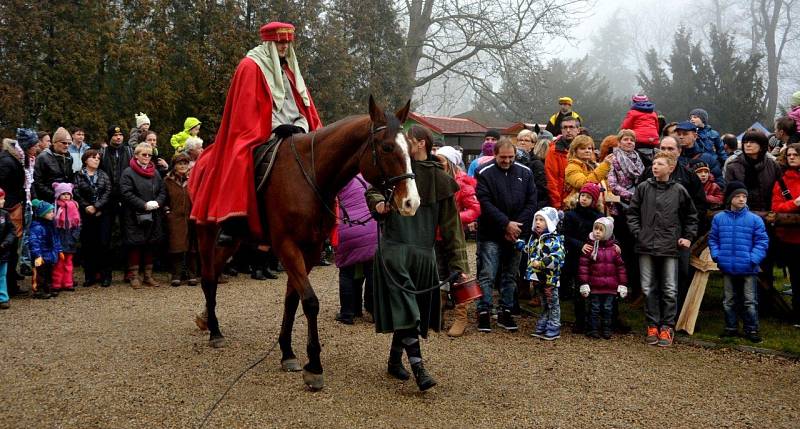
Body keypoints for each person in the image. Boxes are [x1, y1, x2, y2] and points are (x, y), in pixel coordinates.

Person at [189, 22, 322, 244]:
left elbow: (303, 104)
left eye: (288, 42)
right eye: (280, 42)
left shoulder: (290, 70)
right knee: (241, 158)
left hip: (295, 131)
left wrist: (301, 125)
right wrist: (274, 127)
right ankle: (233, 220)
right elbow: (245, 110)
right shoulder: (250, 66)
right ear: (269, 41)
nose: (284, 47)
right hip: (263, 131)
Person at [367, 127, 469, 392]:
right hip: (394, 249)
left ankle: (393, 361)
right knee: (409, 310)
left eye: (408, 140)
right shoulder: (396, 167)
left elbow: (452, 227)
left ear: (421, 143)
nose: (403, 144)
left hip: (424, 255)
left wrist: (459, 265)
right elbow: (373, 190)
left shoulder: (439, 177)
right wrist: (379, 203)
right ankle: (419, 368)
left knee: (412, 313)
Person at [628, 152, 698, 347]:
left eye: (660, 164)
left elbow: (691, 216)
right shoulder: (643, 188)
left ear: (670, 168)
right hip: (646, 246)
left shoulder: (679, 190)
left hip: (670, 247)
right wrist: (638, 232)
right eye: (654, 164)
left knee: (669, 289)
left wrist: (687, 237)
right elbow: (632, 212)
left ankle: (667, 326)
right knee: (648, 287)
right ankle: (652, 325)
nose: (655, 167)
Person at [475, 138, 537, 333]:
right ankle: (484, 311)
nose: (507, 161)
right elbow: (484, 202)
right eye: (503, 157)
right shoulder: (484, 173)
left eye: (511, 157)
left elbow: (531, 201)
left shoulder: (525, 172)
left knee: (510, 275)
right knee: (488, 274)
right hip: (491, 232)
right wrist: (505, 224)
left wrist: (516, 227)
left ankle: (506, 310)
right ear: (495, 154)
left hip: (517, 232)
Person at [708, 181, 769, 343]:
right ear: (730, 198)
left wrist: (753, 259)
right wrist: (717, 255)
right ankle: (731, 327)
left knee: (750, 301)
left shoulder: (755, 220)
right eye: (738, 196)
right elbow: (713, 239)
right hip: (727, 266)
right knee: (728, 300)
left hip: (748, 267)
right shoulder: (719, 219)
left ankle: (752, 329)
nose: (742, 199)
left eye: (744, 196)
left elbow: (762, 241)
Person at [435, 145, 480, 337]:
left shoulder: (462, 183)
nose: (437, 164)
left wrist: (454, 219)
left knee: (458, 275)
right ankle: (438, 314)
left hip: (455, 237)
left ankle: (461, 317)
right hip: (436, 237)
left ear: (450, 163)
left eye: (441, 161)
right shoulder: (434, 181)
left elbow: (475, 209)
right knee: (438, 275)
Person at [120, 143, 167, 289]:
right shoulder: (128, 172)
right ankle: (134, 276)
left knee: (150, 245)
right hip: (134, 214)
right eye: (144, 154)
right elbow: (126, 193)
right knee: (135, 244)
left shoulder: (155, 172)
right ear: (136, 155)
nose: (147, 157)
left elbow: (163, 190)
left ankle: (148, 275)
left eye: (149, 155)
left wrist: (158, 202)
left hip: (153, 214)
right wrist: (143, 205)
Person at [332, 174, 376, 325]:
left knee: (347, 272)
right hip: (371, 226)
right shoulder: (364, 177)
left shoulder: (338, 180)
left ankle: (348, 313)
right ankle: (374, 311)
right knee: (372, 272)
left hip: (349, 227)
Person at [561, 182, 604, 333]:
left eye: (588, 197)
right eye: (582, 196)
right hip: (575, 256)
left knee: (593, 289)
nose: (584, 199)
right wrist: (580, 245)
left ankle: (594, 321)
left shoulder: (599, 217)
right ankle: (579, 321)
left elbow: (606, 234)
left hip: (594, 257)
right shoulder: (570, 215)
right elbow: (565, 235)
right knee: (579, 289)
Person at [578, 217, 628, 339]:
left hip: (610, 287)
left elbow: (621, 268)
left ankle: (607, 329)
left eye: (601, 230)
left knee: (608, 308)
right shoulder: (590, 248)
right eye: (596, 229)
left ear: (608, 232)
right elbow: (583, 266)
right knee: (594, 308)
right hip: (594, 285)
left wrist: (622, 284)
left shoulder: (614, 250)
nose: (598, 232)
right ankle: (593, 329)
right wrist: (584, 283)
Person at [522, 207, 566, 340]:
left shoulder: (554, 240)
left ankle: (554, 325)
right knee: (544, 301)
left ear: (550, 223)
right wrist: (521, 246)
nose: (538, 223)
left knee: (552, 301)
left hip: (549, 278)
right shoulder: (535, 238)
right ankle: (544, 321)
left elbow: (558, 257)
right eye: (536, 220)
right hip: (537, 277)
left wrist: (542, 262)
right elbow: (531, 251)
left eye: (542, 220)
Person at [73, 149, 112, 287]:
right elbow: (76, 192)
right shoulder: (78, 175)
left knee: (103, 243)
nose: (96, 160)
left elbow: (108, 192)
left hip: (102, 213)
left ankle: (105, 275)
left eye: (98, 158)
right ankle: (90, 276)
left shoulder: (103, 174)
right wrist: (87, 206)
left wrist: (97, 206)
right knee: (88, 244)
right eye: (93, 157)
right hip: (86, 214)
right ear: (85, 160)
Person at [771, 143, 800, 327]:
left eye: (796, 154)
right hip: (790, 238)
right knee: (796, 278)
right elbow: (776, 208)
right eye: (789, 154)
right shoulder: (781, 181)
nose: (792, 157)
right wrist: (795, 204)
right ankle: (798, 315)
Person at [724, 129, 780, 212]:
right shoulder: (733, 166)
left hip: (768, 212)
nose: (748, 145)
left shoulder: (773, 165)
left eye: (752, 142)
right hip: (741, 213)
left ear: (762, 146)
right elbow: (728, 193)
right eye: (745, 142)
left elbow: (778, 191)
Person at [164, 152, 197, 287]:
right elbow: (163, 198)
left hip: (192, 216)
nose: (183, 166)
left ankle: (192, 275)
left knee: (192, 247)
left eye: (185, 163)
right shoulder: (167, 180)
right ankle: (176, 275)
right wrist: (167, 212)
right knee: (176, 247)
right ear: (174, 165)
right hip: (175, 217)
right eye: (180, 163)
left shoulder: (194, 178)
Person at [0, 137, 26, 296]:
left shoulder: (8, 160)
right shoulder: (6, 161)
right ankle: (9, 285)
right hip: (11, 206)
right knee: (10, 246)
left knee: (13, 246)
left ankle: (10, 283)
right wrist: (8, 204)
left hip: (12, 204)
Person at [563, 135, 612, 209]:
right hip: (579, 209)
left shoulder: (595, 165)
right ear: (575, 151)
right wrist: (605, 166)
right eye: (583, 148)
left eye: (590, 148)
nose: (587, 150)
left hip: (598, 208)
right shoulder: (572, 167)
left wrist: (617, 199)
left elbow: (606, 190)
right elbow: (585, 184)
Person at [675, 121, 725, 188]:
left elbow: (720, 182)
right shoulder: (674, 158)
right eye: (679, 134)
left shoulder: (707, 158)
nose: (681, 137)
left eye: (685, 134)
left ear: (695, 136)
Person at [29, 199, 61, 299]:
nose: (52, 214)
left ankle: (48, 288)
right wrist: (37, 255)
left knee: (49, 272)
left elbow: (56, 238)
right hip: (41, 256)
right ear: (42, 214)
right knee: (40, 273)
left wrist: (59, 250)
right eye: (50, 212)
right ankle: (39, 290)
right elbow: (34, 242)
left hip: (50, 254)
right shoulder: (37, 227)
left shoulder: (51, 225)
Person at [50, 182, 80, 292]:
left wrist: (75, 237)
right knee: (58, 263)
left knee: (69, 263)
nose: (66, 196)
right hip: (59, 239)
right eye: (63, 194)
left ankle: (68, 283)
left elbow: (77, 224)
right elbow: (53, 224)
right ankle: (57, 283)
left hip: (70, 238)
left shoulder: (74, 206)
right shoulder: (55, 207)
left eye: (68, 194)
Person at [606, 129, 645, 214]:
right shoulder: (612, 159)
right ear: (619, 143)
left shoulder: (639, 159)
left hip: (638, 199)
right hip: (619, 201)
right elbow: (612, 185)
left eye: (632, 140)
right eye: (626, 139)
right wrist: (631, 195)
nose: (629, 142)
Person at [545, 116, 580, 209]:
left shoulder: (586, 149)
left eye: (571, 127)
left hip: (583, 200)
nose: (568, 130)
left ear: (578, 130)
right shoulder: (554, 151)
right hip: (563, 202)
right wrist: (557, 205)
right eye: (565, 127)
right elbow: (551, 180)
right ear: (561, 130)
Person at [33, 127, 75, 202]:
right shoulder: (43, 157)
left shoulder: (69, 158)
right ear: (54, 142)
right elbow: (37, 182)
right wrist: (55, 194)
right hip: (47, 201)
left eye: (69, 143)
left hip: (65, 199)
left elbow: (69, 179)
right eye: (64, 143)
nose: (67, 145)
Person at [620, 94, 660, 159]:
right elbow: (657, 128)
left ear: (634, 102)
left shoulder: (632, 112)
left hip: (638, 141)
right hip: (653, 141)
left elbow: (625, 127)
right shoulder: (653, 113)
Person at [0, 188, 15, 308]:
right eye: (1, 199)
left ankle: (3, 297)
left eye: (3, 199)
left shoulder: (5, 214)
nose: (3, 201)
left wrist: (6, 242)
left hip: (3, 250)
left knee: (2, 275)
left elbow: (11, 230)